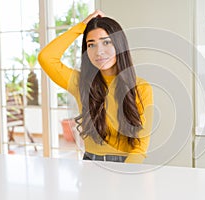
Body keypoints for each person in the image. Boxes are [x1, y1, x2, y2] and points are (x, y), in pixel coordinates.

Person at [38, 10, 154, 163]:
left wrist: (125, 177)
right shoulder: (81, 83)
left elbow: (140, 147)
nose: (99, 52)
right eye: (91, 45)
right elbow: (46, 57)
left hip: (126, 165)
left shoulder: (141, 87)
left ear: (119, 45)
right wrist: (81, 26)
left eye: (106, 42)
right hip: (90, 163)